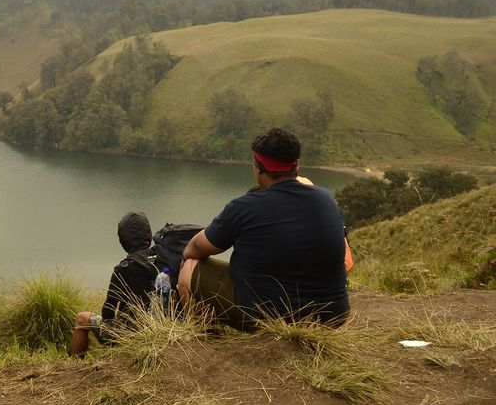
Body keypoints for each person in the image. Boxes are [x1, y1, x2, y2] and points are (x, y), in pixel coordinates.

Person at [178, 127, 349, 329]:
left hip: (265, 319)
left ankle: (207, 336)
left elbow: (196, 247)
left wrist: (185, 255)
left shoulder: (244, 207)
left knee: (189, 268)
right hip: (332, 317)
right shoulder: (326, 199)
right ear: (297, 165)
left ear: (258, 168)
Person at [71, 212, 158, 358]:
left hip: (132, 332)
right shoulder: (161, 258)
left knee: (82, 319)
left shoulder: (124, 268)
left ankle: (73, 365)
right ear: (148, 235)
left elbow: (108, 310)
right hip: (162, 327)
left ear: (124, 239)